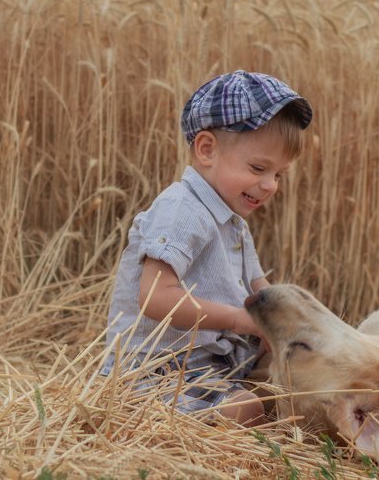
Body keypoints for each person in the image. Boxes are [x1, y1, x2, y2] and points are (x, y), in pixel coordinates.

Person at [102, 70, 312, 425]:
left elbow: (260, 291)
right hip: (161, 369)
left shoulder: (232, 222)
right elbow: (154, 297)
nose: (270, 185)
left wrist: (286, 324)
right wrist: (239, 320)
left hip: (215, 363)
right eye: (258, 168)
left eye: (278, 175)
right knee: (248, 409)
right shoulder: (182, 209)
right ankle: (154, 418)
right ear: (206, 149)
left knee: (295, 394)